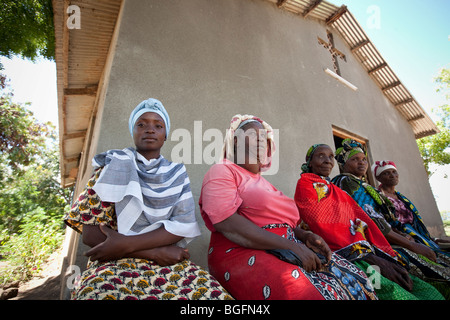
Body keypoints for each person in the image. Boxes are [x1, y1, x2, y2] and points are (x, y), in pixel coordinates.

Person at [64, 98, 232, 300]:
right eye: (141, 124)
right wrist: (152, 252)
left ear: (166, 134)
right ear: (133, 131)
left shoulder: (177, 174)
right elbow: (90, 235)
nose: (150, 129)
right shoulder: (110, 168)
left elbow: (182, 225)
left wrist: (126, 243)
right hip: (114, 261)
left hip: (165, 263)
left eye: (158, 125)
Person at [198, 115, 377, 300]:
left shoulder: (265, 184)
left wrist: (305, 236)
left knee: (359, 281)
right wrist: (291, 246)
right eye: (253, 134)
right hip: (241, 251)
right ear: (235, 141)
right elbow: (227, 223)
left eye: (264, 137)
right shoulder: (223, 170)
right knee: (304, 291)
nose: (260, 140)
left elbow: (285, 225)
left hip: (287, 245)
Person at [294, 143, 444, 300]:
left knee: (429, 292)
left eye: (331, 156)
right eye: (321, 156)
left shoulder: (335, 189)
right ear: (310, 162)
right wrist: (371, 259)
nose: (327, 160)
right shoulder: (307, 185)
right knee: (393, 292)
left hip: (370, 252)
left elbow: (362, 221)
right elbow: (323, 224)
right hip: (349, 258)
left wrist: (381, 256)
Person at [332, 139, 449, 292]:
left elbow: (385, 219)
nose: (361, 163)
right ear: (344, 164)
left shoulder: (362, 185)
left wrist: (403, 234)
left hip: (388, 237)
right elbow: (373, 220)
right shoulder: (346, 181)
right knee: (439, 272)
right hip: (374, 242)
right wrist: (412, 245)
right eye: (354, 159)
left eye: (363, 159)